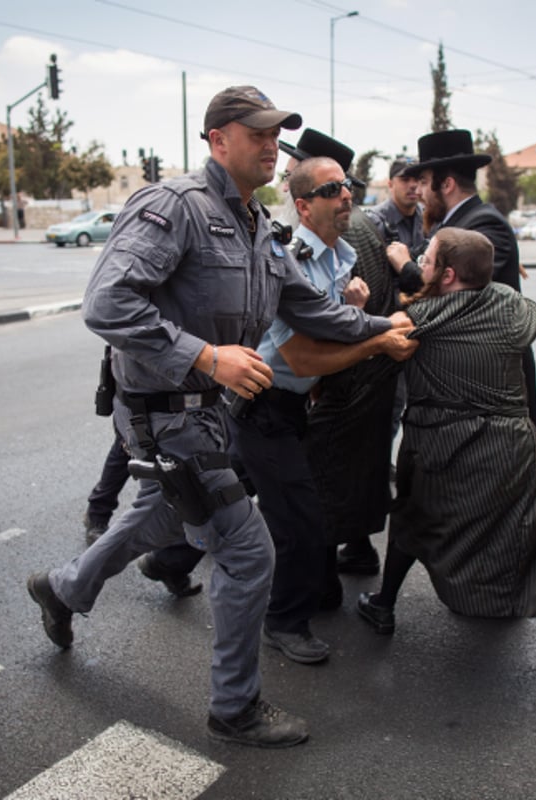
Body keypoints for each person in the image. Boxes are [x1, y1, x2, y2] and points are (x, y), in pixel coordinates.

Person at [24, 86, 397, 749]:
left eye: (276, 132)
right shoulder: (176, 206)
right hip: (164, 414)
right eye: (256, 132)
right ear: (217, 139)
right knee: (249, 552)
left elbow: (311, 309)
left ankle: (62, 587)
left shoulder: (258, 226)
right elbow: (106, 305)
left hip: (210, 415)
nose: (270, 142)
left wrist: (384, 324)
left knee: (159, 515)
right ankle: (235, 708)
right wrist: (206, 357)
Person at [355, 228, 536, 683]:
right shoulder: (512, 308)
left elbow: (377, 349)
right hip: (510, 450)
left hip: (437, 448)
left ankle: (384, 606)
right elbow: (531, 310)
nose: (420, 265)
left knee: (414, 521)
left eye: (426, 260)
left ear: (447, 274)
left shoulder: (418, 319)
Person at [226, 154, 416, 665]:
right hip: (259, 402)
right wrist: (376, 341)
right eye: (332, 190)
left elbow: (326, 333)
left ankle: (163, 560)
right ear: (303, 206)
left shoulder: (341, 256)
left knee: (217, 501)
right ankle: (283, 622)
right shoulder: (291, 258)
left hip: (288, 405)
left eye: (348, 186)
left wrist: (356, 317)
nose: (347, 196)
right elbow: (301, 353)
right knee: (297, 522)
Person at [387, 129, 536, 428]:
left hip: (489, 384)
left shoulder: (484, 224)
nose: (419, 192)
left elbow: (459, 295)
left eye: (425, 183)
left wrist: (406, 265)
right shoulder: (453, 222)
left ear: (447, 184)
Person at [365, 155, 426, 251]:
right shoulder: (374, 222)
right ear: (390, 184)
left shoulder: (427, 216)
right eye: (405, 179)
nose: (413, 185)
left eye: (417, 179)